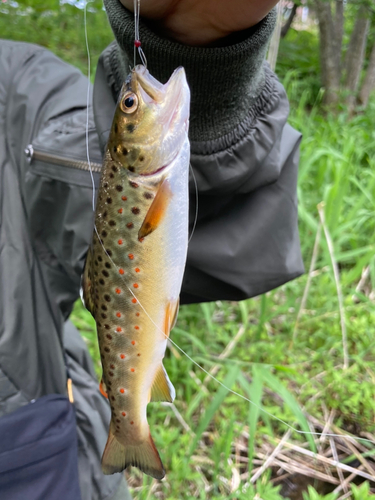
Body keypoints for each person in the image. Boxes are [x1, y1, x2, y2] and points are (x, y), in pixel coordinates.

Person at [0, 0, 303, 498]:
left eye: (130, 107)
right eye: (130, 104)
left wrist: (195, 42)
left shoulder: (18, 85)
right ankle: (130, 427)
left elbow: (76, 148)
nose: (135, 98)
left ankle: (130, 425)